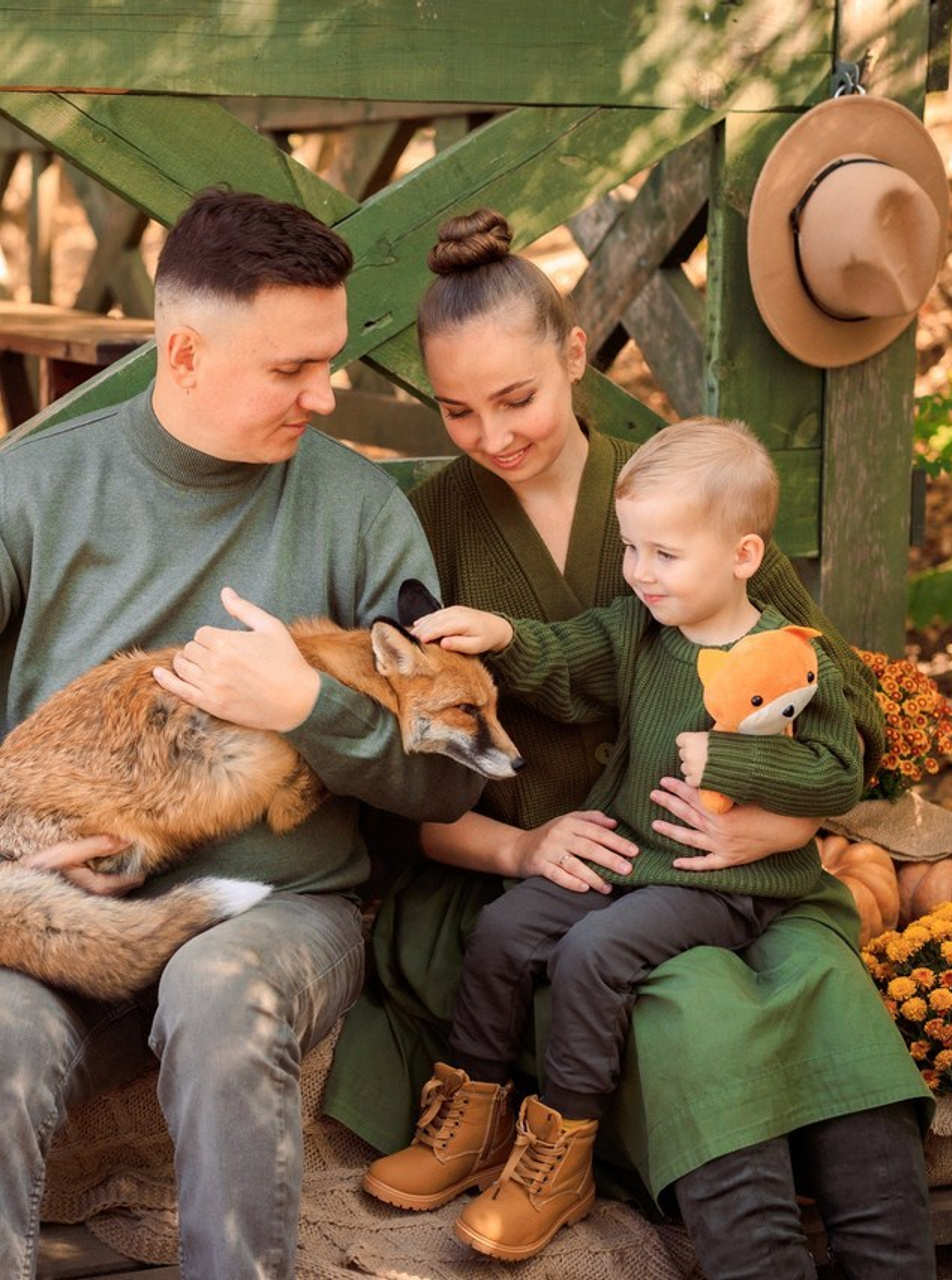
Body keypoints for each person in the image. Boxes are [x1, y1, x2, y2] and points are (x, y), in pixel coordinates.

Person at [0, 189, 487, 1280]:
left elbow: (449, 786)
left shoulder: (359, 510)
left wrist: (310, 709)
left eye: (329, 361)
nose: (323, 394)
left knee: (220, 998)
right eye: (290, 369)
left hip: (282, 907)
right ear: (183, 353)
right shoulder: (31, 488)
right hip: (53, 901)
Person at [322, 208, 935, 1279]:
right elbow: (394, 775)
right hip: (514, 875)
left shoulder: (678, 496)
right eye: (456, 410)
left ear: (574, 356)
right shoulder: (426, 521)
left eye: (516, 397)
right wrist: (520, 847)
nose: (492, 434)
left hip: (728, 857)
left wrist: (780, 820)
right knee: (690, 1002)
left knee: (820, 979)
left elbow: (841, 703)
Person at [362, 417, 865, 1262]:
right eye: (631, 549)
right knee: (506, 926)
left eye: (664, 554)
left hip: (718, 880)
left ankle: (559, 1158)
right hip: (633, 853)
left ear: (743, 556)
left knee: (593, 953)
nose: (639, 572)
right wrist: (503, 635)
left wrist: (735, 760)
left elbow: (837, 773)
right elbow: (567, 656)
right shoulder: (639, 627)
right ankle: (472, 1122)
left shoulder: (786, 656)